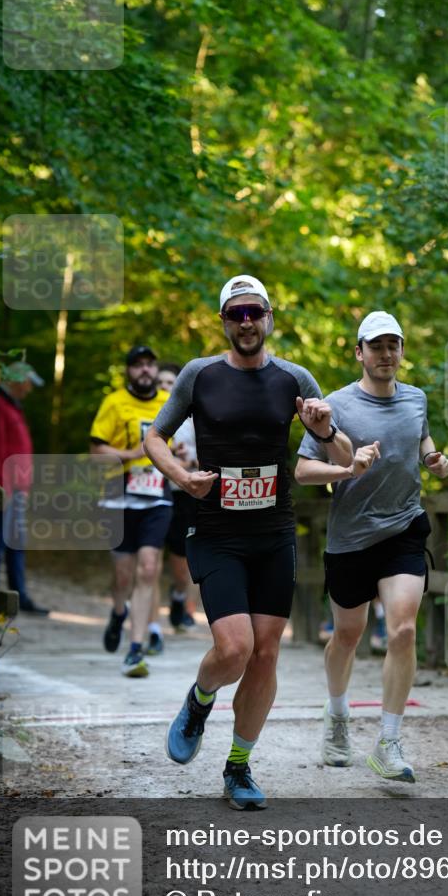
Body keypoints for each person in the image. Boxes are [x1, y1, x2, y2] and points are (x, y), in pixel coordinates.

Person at [144, 274, 359, 810]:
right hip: (216, 531)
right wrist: (181, 477)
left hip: (273, 534)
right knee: (234, 648)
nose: (246, 322)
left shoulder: (294, 379)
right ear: (224, 320)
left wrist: (327, 429)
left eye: (254, 312)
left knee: (265, 655)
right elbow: (154, 436)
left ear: (268, 317)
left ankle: (238, 767)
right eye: (235, 313)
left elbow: (344, 461)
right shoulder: (200, 375)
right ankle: (199, 701)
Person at [295, 310, 448, 783]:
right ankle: (338, 716)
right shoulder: (334, 406)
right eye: (376, 346)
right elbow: (303, 471)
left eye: (393, 345)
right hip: (351, 539)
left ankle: (389, 741)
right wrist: (347, 470)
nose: (386, 354)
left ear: (401, 351)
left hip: (404, 529)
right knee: (347, 636)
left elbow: (421, 440)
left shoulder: (416, 398)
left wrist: (434, 459)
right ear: (359, 352)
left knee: (403, 630)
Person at [90, 345, 172, 677]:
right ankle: (118, 611)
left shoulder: (167, 404)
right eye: (137, 365)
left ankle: (135, 648)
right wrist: (131, 453)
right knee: (124, 574)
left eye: (150, 365)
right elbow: (96, 450)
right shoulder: (114, 403)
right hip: (118, 495)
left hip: (156, 494)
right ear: (128, 371)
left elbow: (181, 440)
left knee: (149, 569)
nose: (145, 370)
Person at [0, 361, 50, 614]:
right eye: (27, 383)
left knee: (16, 544)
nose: (29, 389)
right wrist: (0, 489)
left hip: (16, 491)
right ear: (15, 380)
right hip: (2, 491)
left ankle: (19, 598)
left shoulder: (11, 406)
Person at [153, 363, 199, 636]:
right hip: (154, 492)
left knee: (181, 563)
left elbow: (212, 458)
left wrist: (188, 460)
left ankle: (179, 597)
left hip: (184, 494)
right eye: (161, 384)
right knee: (150, 559)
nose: (165, 388)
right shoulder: (147, 418)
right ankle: (148, 620)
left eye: (170, 384)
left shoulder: (192, 419)